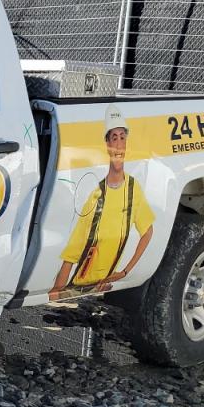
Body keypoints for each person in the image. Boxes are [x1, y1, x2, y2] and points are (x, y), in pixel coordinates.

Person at [49, 105, 155, 301]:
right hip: (77, 289)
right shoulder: (96, 195)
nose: (119, 144)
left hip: (102, 288)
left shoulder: (133, 189)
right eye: (114, 138)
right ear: (107, 145)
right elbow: (71, 255)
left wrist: (124, 272)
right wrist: (56, 292)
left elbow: (147, 232)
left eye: (122, 138)